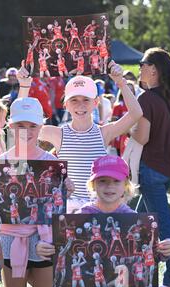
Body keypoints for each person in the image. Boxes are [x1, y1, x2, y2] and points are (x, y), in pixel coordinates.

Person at [18, 60, 143, 213]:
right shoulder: (58, 133)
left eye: (86, 100)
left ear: (95, 102)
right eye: (74, 100)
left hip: (98, 206)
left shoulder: (104, 132)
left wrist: (121, 83)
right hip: (68, 208)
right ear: (66, 104)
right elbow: (21, 129)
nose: (80, 105)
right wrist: (24, 86)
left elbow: (136, 113)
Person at [66, 155, 170, 287]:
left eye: (116, 181)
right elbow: (65, 250)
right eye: (102, 181)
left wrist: (169, 248)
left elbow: (149, 253)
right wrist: (48, 246)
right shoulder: (82, 215)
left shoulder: (133, 219)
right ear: (93, 184)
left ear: (126, 185)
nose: (109, 186)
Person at [0, 96, 74, 287]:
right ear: (10, 126)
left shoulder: (52, 162)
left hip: (45, 236)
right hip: (10, 238)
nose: (26, 131)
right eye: (20, 125)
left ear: (41, 127)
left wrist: (66, 188)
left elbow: (59, 209)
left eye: (32, 125)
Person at [131, 48, 170, 287]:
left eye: (142, 64)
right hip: (168, 170)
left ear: (153, 69)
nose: (139, 68)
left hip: (151, 168)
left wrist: (128, 130)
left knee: (163, 227)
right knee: (136, 222)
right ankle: (137, 270)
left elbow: (142, 137)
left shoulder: (146, 99)